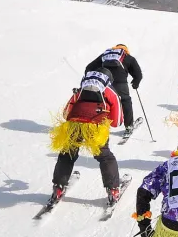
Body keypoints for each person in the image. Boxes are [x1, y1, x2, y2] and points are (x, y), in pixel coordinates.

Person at [48, 67, 125, 204]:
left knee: (68, 153)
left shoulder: (82, 87)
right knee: (105, 156)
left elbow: (66, 113)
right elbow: (117, 121)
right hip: (95, 126)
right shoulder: (109, 90)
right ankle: (113, 190)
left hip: (74, 123)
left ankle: (58, 187)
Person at [86, 44, 143, 132]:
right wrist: (135, 83)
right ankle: (129, 126)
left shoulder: (105, 55)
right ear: (125, 50)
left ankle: (99, 126)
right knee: (125, 101)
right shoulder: (127, 57)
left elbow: (89, 68)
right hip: (121, 84)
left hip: (106, 85)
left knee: (104, 103)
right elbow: (138, 74)